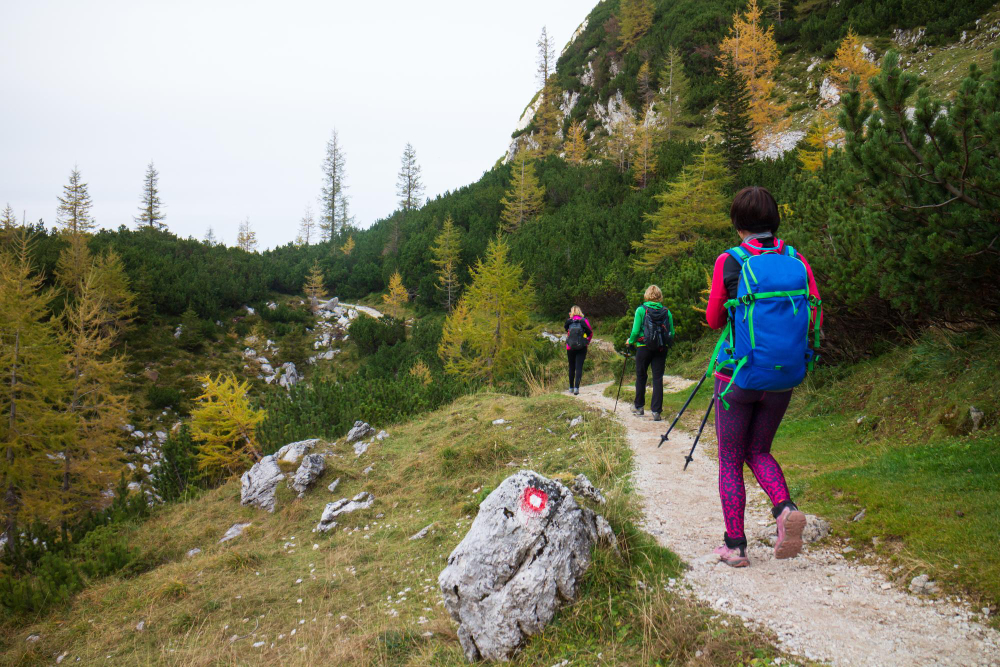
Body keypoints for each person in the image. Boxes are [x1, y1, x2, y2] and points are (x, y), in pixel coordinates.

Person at [705, 186, 820, 568]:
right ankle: (785, 512)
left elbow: (714, 320)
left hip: (737, 377)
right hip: (783, 376)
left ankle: (735, 546)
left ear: (738, 224)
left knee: (730, 459)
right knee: (760, 450)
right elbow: (814, 310)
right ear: (775, 221)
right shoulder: (796, 259)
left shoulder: (731, 260)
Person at [626, 285, 673, 421]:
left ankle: (639, 407)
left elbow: (635, 331)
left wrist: (630, 341)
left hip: (643, 347)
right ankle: (656, 411)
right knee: (657, 378)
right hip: (660, 348)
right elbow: (672, 332)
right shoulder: (666, 312)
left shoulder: (641, 310)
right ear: (659, 296)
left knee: (641, 376)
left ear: (646, 295)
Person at [564, 306, 592, 395]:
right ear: (580, 311)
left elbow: (566, 329)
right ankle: (576, 388)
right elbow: (590, 332)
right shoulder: (584, 321)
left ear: (571, 312)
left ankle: (570, 388)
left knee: (571, 367)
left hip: (570, 347)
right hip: (582, 347)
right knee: (579, 367)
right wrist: (587, 342)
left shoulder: (569, 321)